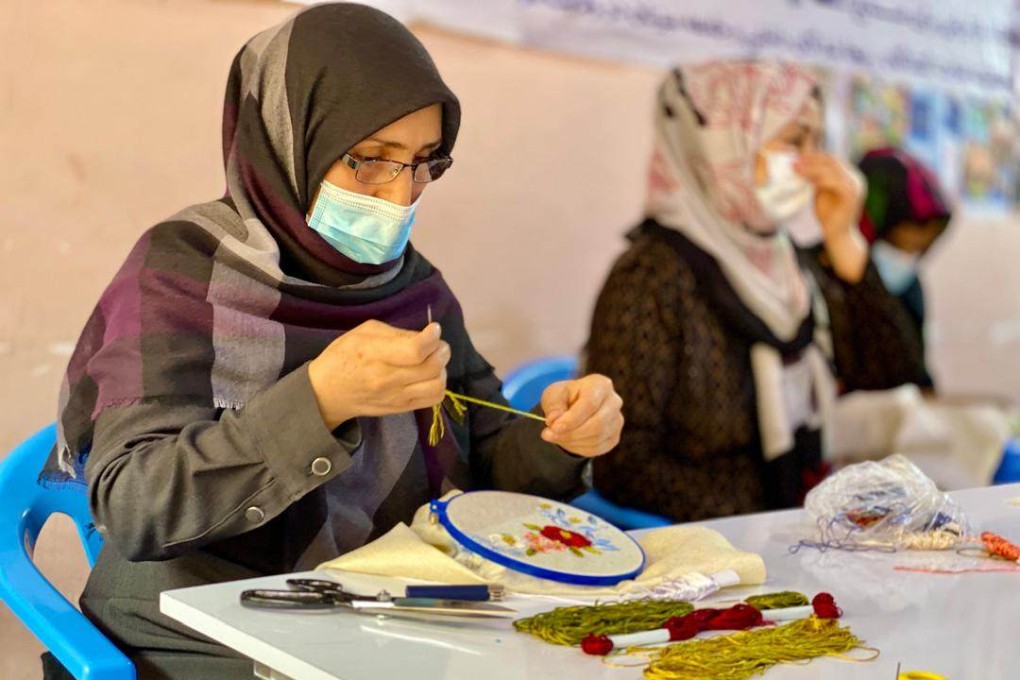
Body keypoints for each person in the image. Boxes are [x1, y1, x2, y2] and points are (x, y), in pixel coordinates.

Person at [39, 5, 623, 678]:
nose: (400, 195)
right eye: (370, 161)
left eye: (423, 162)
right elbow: (136, 504)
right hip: (196, 627)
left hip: (378, 616)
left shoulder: (411, 285)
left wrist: (560, 438)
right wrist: (317, 402)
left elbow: (488, 467)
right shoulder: (181, 273)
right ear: (292, 139)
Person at [584, 62, 923, 523]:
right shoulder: (652, 277)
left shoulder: (790, 267)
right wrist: (768, 524)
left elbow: (893, 371)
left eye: (817, 142)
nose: (813, 164)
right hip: (716, 547)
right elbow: (622, 466)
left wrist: (845, 242)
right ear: (724, 143)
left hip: (800, 527)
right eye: (793, 141)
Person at [857, 147, 953, 389]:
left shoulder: (909, 285)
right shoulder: (833, 284)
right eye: (908, 239)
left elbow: (913, 363)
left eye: (924, 246)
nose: (913, 253)